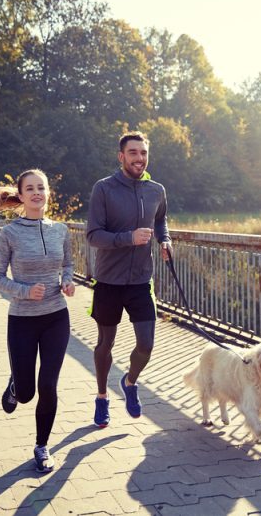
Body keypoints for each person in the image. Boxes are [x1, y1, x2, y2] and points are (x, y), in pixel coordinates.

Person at [0, 169, 75, 473]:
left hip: (56, 317)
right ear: (20, 196)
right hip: (22, 320)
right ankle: (15, 388)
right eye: (30, 189)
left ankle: (42, 446)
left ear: (48, 193)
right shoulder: (10, 233)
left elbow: (69, 264)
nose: (36, 193)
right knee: (27, 393)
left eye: (41, 188)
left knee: (48, 385)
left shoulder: (61, 230)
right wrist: (24, 291)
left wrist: (68, 282)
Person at [85, 131, 171, 428]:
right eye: (133, 153)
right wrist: (129, 238)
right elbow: (93, 235)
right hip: (108, 281)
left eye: (143, 153)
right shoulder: (104, 189)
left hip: (140, 281)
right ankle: (101, 397)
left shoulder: (156, 189)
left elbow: (160, 220)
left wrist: (165, 240)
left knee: (146, 345)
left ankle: (130, 382)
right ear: (121, 156)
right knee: (105, 344)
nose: (139, 158)